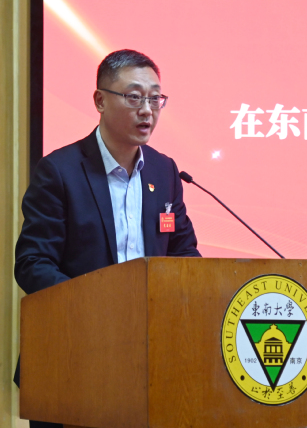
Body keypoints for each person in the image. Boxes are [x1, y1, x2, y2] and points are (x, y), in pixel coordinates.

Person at [14, 49, 200, 428]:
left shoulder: (164, 171)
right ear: (100, 100)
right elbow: (33, 263)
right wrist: (100, 309)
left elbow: (183, 253)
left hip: (148, 358)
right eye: (133, 97)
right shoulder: (59, 171)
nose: (147, 110)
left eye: (155, 99)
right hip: (74, 357)